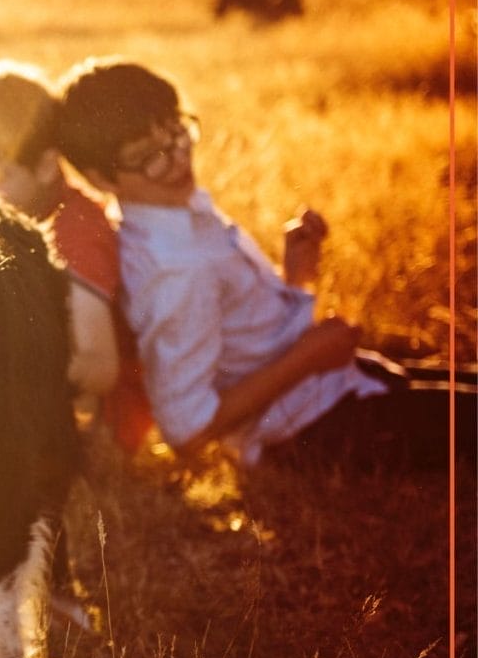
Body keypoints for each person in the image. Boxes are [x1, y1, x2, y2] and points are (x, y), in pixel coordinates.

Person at [51, 56, 475, 472]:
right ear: (101, 179)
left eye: (177, 133)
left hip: (337, 384)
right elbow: (187, 429)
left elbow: (247, 339)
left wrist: (296, 276)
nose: (178, 159)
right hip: (319, 426)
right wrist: (308, 357)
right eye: (150, 156)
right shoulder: (172, 269)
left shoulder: (180, 215)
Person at [0, 59, 153, 452]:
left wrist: (2, 375)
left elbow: (100, 367)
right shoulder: (13, 215)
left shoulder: (75, 232)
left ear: (45, 166)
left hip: (102, 425)